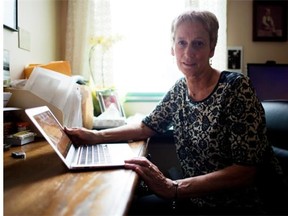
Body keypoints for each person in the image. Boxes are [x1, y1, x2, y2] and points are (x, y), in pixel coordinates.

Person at [65, 10, 287, 215]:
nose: (188, 52)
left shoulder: (236, 89)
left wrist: (173, 187)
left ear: (212, 47)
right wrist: (95, 136)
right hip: (192, 197)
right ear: (172, 47)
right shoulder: (180, 89)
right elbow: (146, 126)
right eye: (182, 42)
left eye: (198, 43)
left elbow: (246, 171)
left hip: (237, 205)